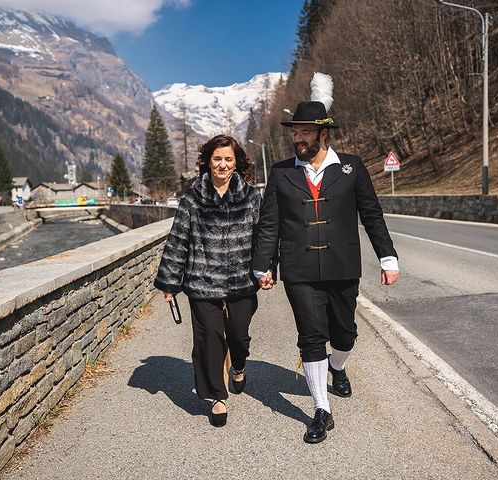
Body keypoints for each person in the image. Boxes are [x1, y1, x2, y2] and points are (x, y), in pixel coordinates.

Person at [252, 73, 399, 443]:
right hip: (299, 268)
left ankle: (338, 366)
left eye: (304, 133)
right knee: (311, 336)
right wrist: (263, 264)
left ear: (323, 134)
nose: (297, 139)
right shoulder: (282, 173)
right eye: (294, 133)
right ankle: (321, 410)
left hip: (342, 265)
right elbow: (270, 223)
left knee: (344, 334)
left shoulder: (351, 166)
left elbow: (371, 214)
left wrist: (387, 256)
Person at [153, 134, 261, 427]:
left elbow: (264, 239)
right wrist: (170, 282)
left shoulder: (251, 197)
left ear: (237, 162)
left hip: (242, 280)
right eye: (217, 159)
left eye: (228, 159)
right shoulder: (192, 199)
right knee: (209, 339)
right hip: (202, 281)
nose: (222, 165)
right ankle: (216, 396)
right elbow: (178, 241)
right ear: (208, 162)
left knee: (238, 335)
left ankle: (238, 365)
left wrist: (267, 269)